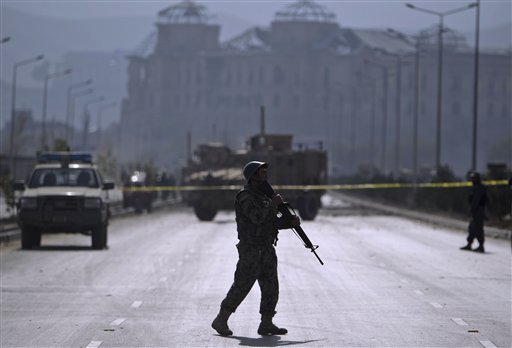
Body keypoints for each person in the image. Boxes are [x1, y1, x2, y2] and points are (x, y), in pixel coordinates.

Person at [211, 161, 300, 336]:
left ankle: (266, 323)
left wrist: (289, 223)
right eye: (262, 173)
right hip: (251, 249)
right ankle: (221, 320)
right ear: (253, 177)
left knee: (271, 286)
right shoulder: (245, 196)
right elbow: (257, 217)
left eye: (266, 172)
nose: (266, 175)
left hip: (266, 248)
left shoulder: (264, 197)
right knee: (242, 286)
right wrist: (273, 204)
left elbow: (270, 223)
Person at [460, 172, 488, 253]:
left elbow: (476, 201)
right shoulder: (476, 188)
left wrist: (471, 210)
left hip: (478, 211)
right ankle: (469, 244)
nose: (472, 180)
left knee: (478, 229)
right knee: (472, 228)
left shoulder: (479, 189)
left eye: (474, 178)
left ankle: (481, 246)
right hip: (476, 211)